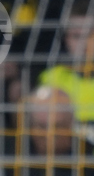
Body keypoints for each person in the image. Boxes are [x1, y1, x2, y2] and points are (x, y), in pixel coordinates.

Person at [39, 0, 94, 137]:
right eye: (76, 36)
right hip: (66, 147)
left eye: (91, 35)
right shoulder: (52, 77)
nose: (84, 43)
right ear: (65, 38)